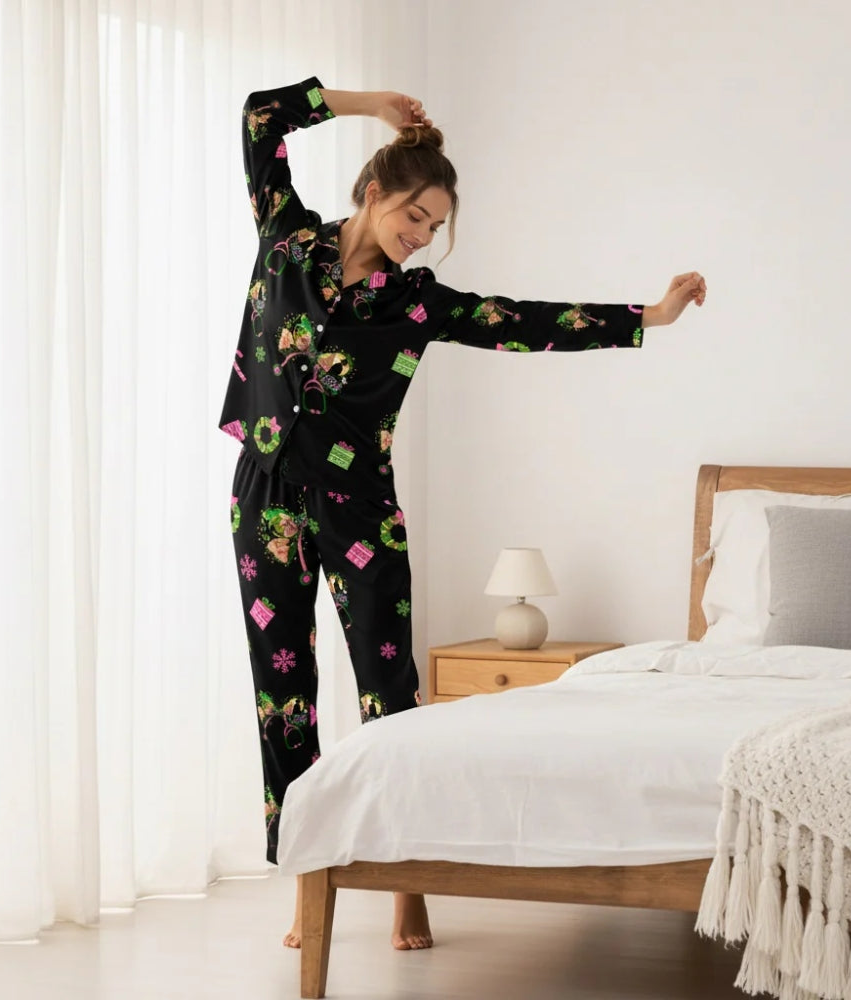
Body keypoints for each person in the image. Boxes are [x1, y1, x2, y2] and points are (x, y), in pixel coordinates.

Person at [220, 76, 707, 952]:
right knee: (282, 699)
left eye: (435, 226)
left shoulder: (417, 302)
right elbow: (262, 115)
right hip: (263, 496)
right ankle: (308, 880)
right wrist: (371, 104)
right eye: (416, 215)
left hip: (359, 507)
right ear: (372, 192)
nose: (423, 236)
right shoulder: (285, 239)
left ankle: (409, 882)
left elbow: (526, 320)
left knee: (390, 697)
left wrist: (650, 317)